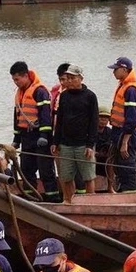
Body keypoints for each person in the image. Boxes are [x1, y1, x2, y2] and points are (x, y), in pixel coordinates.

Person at [51, 64, 100, 203]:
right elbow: (59, 119)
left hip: (83, 144)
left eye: (73, 78)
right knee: (66, 176)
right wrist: (56, 142)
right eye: (68, 78)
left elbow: (94, 122)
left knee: (88, 176)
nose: (70, 81)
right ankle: (69, 201)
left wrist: (90, 145)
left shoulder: (90, 96)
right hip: (66, 144)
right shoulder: (64, 96)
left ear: (80, 78)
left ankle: (91, 203)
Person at [10, 61, 57, 198]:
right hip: (26, 137)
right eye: (13, 80)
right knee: (26, 170)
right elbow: (17, 117)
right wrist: (16, 140)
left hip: (40, 137)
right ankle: (31, 198)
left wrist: (43, 134)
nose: (15, 83)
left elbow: (45, 115)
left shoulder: (40, 91)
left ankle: (52, 198)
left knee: (45, 170)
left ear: (25, 76)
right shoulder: (19, 94)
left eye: (17, 79)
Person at [107, 57, 136, 193]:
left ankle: (131, 195)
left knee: (127, 166)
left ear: (124, 70)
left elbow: (132, 119)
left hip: (127, 134)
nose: (113, 72)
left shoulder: (131, 89)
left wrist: (125, 142)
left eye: (116, 69)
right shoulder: (123, 85)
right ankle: (123, 191)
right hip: (118, 131)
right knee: (119, 166)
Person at [95, 106, 115, 190]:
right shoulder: (92, 131)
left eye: (106, 118)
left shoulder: (110, 132)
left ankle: (110, 187)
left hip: (105, 157)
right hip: (93, 155)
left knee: (111, 161)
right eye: (101, 118)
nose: (103, 121)